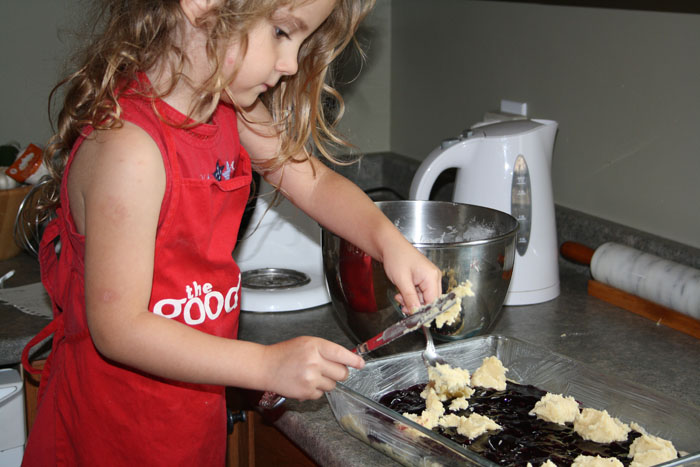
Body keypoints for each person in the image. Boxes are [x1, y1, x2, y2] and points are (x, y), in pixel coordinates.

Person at [21, 0, 442, 465]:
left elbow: (316, 185)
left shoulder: (229, 110)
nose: (290, 64)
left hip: (190, 424)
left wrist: (389, 243)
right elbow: (119, 328)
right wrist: (264, 365)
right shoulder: (129, 150)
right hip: (107, 435)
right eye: (283, 32)